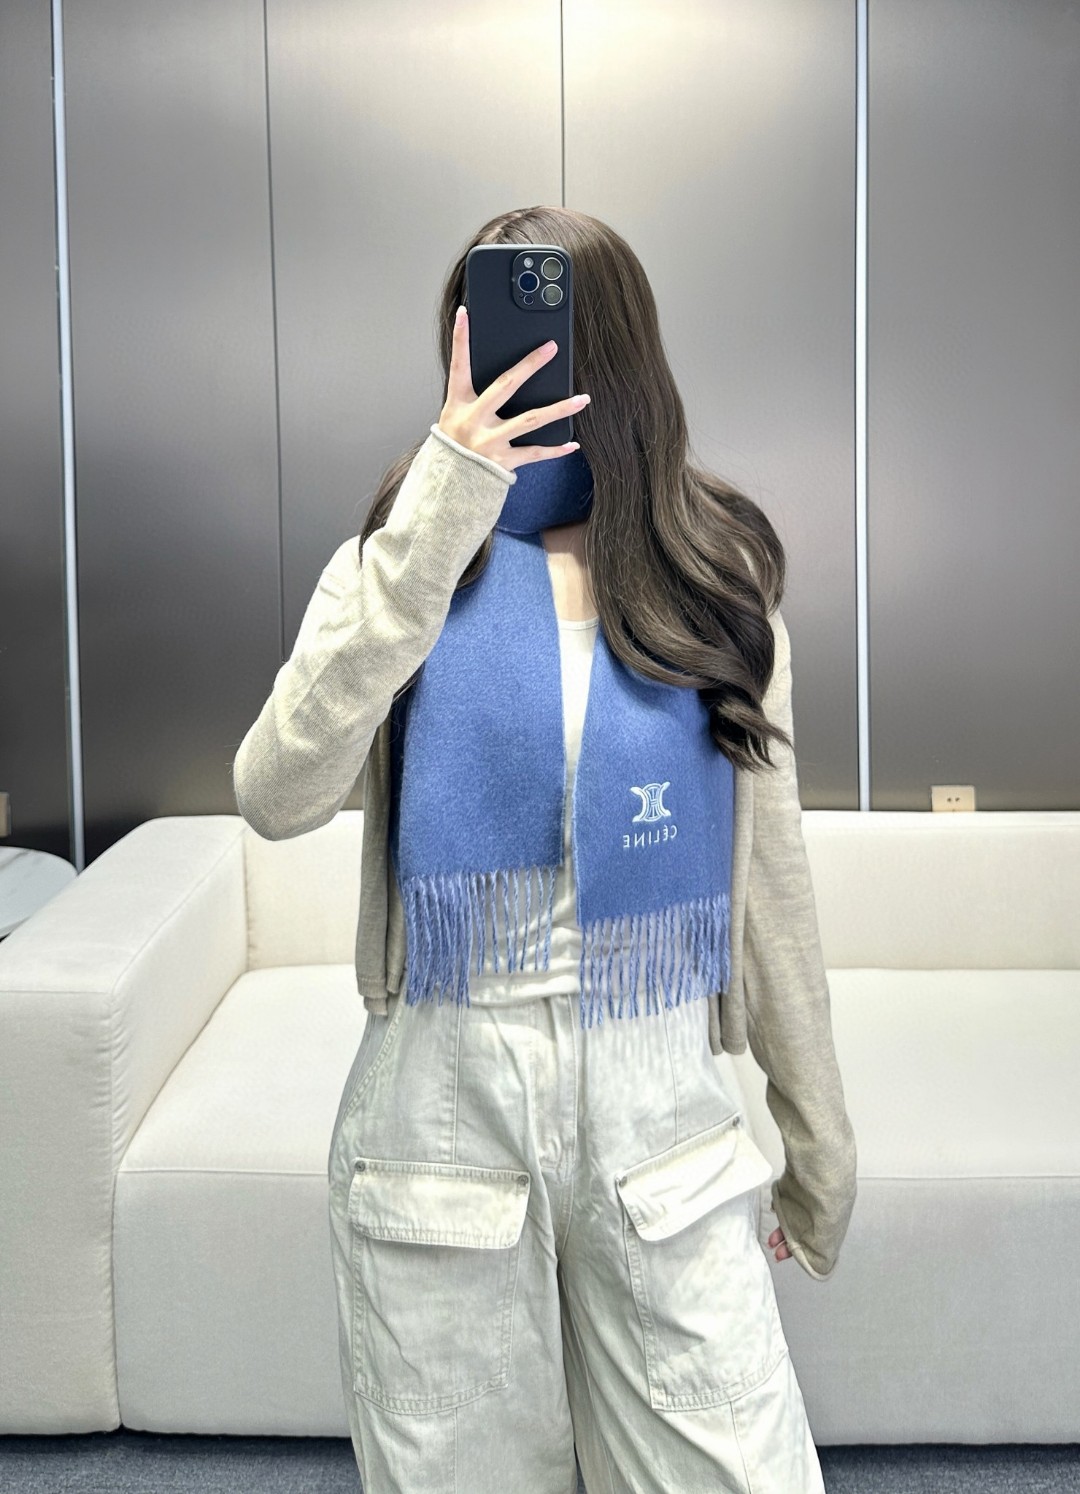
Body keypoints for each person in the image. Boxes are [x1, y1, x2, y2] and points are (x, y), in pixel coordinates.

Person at [234, 205, 856, 1494]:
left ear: (610, 355)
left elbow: (770, 895)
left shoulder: (712, 581)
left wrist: (821, 1146)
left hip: (662, 1117)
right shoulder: (400, 565)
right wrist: (441, 512)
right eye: (480, 334)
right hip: (439, 1117)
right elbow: (276, 793)